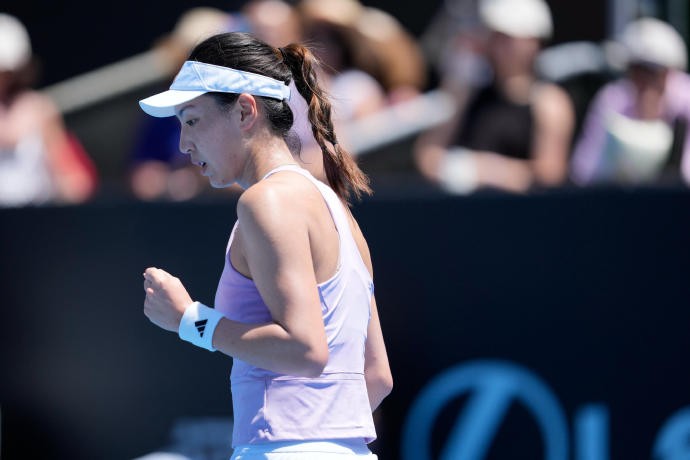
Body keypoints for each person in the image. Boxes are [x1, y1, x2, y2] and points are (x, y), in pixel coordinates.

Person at [138, 32, 393, 459]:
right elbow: (378, 376)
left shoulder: (265, 201)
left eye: (192, 120)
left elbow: (305, 350)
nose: (183, 143)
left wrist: (189, 320)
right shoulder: (339, 211)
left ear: (244, 111)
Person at [414, 0, 574, 194]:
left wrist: (486, 171)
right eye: (495, 36)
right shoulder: (467, 93)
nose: (499, 45)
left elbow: (550, 175)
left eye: (508, 38)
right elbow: (427, 157)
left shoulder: (550, 102)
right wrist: (458, 81)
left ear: (534, 43)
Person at [571, 17, 690, 185]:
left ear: (669, 72)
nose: (643, 79)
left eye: (652, 71)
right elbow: (584, 171)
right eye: (636, 69)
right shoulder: (611, 100)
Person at [0, 13, 96, 206]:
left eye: (6, 72)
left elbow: (76, 181)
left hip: (32, 218)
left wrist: (68, 186)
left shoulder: (40, 110)